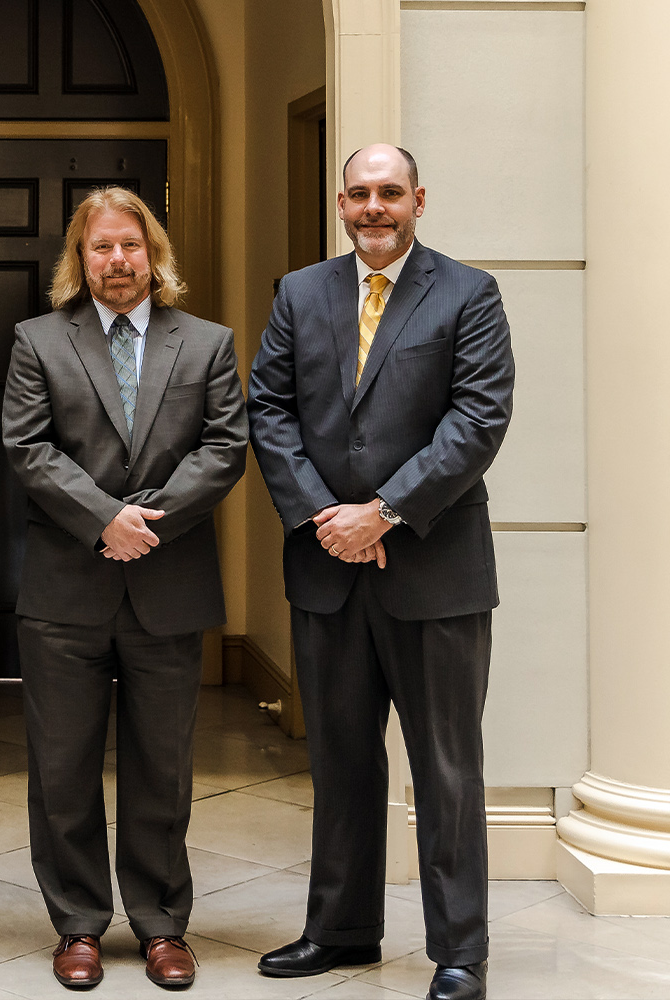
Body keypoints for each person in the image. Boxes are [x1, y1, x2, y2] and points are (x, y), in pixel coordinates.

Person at [246, 144, 514, 1000]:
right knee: (341, 760)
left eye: (389, 193)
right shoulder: (299, 293)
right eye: (359, 194)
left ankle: (459, 952)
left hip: (434, 571)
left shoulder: (469, 294)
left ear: (419, 201)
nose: (373, 208)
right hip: (327, 567)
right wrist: (328, 518)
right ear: (340, 201)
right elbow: (270, 409)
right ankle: (342, 931)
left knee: (445, 767)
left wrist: (385, 512)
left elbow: (478, 420)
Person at [1, 187, 248, 990]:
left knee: (162, 768)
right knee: (62, 768)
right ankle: (76, 923)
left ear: (155, 256)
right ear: (80, 258)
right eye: (101, 247)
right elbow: (28, 449)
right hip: (65, 591)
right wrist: (105, 518)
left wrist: (148, 521)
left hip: (169, 586)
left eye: (131, 247)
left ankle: (162, 925)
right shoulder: (38, 340)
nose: (117, 260)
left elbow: (225, 448)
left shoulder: (207, 344)